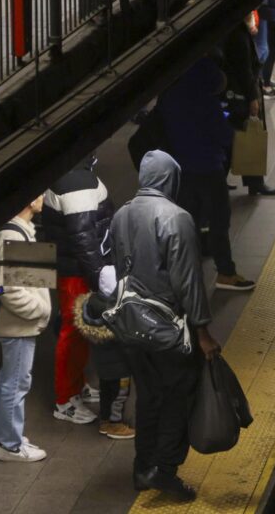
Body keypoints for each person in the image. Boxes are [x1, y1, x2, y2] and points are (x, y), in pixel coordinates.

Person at [110, 150, 221, 502]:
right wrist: (202, 331)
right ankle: (166, 470)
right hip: (168, 329)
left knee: (149, 395)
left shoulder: (121, 214)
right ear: (170, 179)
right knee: (179, 395)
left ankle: (142, 468)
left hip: (130, 325)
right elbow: (188, 281)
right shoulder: (176, 218)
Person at [159, 57, 256, 291]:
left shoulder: (169, 97)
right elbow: (223, 136)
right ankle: (226, 273)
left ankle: (181, 272)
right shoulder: (205, 102)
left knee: (186, 222)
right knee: (218, 220)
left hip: (180, 169)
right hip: (208, 168)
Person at [0, 196, 52, 463]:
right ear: (30, 200)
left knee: (7, 380)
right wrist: (42, 311)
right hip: (18, 326)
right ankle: (10, 445)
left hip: (15, 325)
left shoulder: (20, 231)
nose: (44, 197)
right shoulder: (15, 235)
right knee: (17, 383)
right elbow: (10, 292)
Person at [43, 156, 115, 425]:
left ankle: (77, 384)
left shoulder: (69, 173)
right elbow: (83, 237)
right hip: (78, 272)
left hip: (73, 269)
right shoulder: (77, 182)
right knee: (73, 331)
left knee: (76, 330)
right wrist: (99, 277)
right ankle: (66, 400)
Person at [73, 268, 136, 441]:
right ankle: (114, 424)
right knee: (119, 394)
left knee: (106, 391)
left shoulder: (91, 304)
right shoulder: (117, 311)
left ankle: (105, 419)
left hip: (103, 365)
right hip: (119, 365)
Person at [221, 14, 275, 197]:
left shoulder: (238, 30)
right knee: (239, 138)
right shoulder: (238, 35)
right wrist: (252, 97)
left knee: (240, 137)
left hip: (240, 93)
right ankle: (229, 180)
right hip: (241, 94)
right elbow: (244, 69)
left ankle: (252, 181)